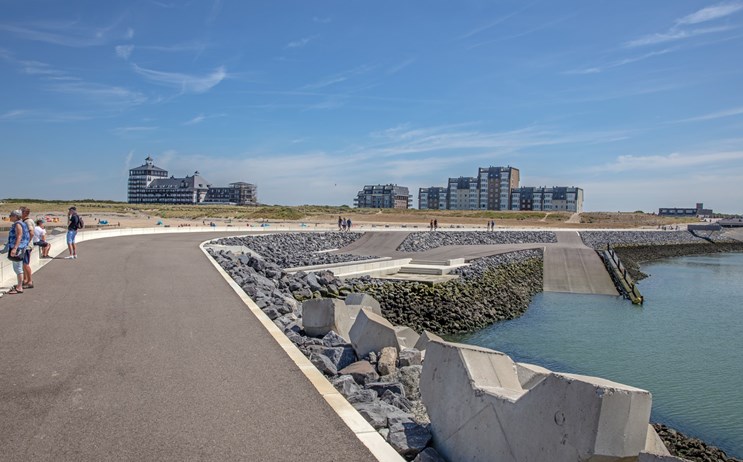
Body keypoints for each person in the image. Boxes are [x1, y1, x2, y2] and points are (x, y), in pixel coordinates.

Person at [4, 210, 30, 294]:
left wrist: (15, 248)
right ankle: (19, 286)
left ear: (15, 216)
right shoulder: (21, 223)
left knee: (18, 268)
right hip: (21, 248)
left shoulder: (18, 224)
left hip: (18, 248)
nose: (9, 216)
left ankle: (19, 287)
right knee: (18, 267)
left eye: (11, 215)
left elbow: (19, 236)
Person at [20, 207, 35, 288]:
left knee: (26, 264)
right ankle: (25, 280)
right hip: (27, 245)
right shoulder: (25, 221)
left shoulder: (27, 221)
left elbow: (31, 233)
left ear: (25, 213)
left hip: (27, 246)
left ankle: (29, 281)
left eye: (20, 212)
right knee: (24, 264)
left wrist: (26, 243)